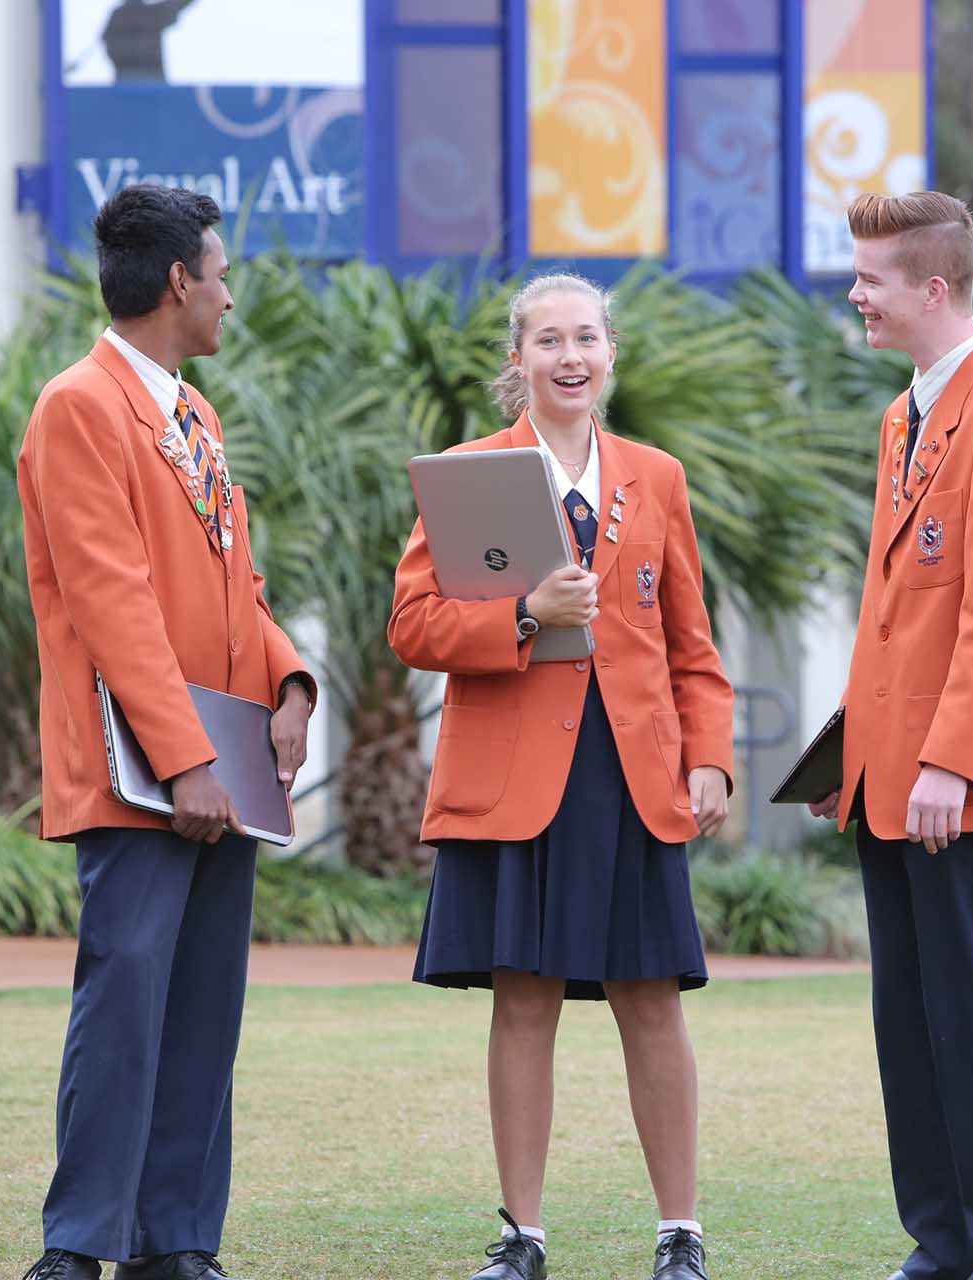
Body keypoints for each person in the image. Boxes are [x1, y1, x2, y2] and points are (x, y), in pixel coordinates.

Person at [389, 273, 736, 1280]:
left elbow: (691, 642)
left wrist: (710, 755)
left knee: (652, 995)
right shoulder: (467, 474)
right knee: (525, 997)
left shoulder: (657, 478)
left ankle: (681, 1232)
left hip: (633, 773)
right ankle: (523, 1235)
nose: (569, 356)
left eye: (586, 337)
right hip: (515, 778)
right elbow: (412, 624)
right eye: (549, 340)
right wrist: (529, 612)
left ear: (611, 351)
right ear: (519, 360)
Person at [14, 184, 316, 1280]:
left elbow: (236, 587)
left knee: (201, 1011)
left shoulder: (193, 411)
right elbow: (111, 597)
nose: (232, 295)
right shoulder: (78, 405)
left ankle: (177, 1238)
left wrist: (288, 680)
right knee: (126, 996)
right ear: (180, 281)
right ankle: (79, 1243)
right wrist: (185, 757)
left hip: (226, 761)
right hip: (145, 769)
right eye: (223, 274)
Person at [808, 191, 973, 1280]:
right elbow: (897, 612)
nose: (854, 294)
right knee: (913, 1028)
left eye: (869, 278)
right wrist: (847, 758)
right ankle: (947, 1243)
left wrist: (950, 762)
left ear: (932, 287)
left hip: (963, 789)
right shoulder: (906, 412)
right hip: (893, 782)